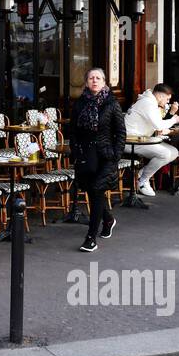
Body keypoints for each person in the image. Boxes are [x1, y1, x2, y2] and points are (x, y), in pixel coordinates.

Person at [70, 69, 125, 253]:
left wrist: (116, 155)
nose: (95, 81)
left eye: (98, 78)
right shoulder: (80, 103)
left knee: (97, 190)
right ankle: (108, 219)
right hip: (86, 155)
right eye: (91, 78)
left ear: (104, 82)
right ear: (86, 82)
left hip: (105, 156)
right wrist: (75, 153)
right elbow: (74, 132)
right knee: (93, 193)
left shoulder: (111, 103)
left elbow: (120, 133)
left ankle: (90, 238)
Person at [125, 83, 179, 197]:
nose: (167, 102)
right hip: (131, 141)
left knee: (173, 152)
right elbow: (159, 125)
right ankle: (143, 180)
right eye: (167, 99)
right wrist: (174, 119)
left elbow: (156, 124)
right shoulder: (147, 103)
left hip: (142, 139)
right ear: (160, 96)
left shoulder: (149, 102)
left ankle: (142, 174)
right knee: (164, 153)